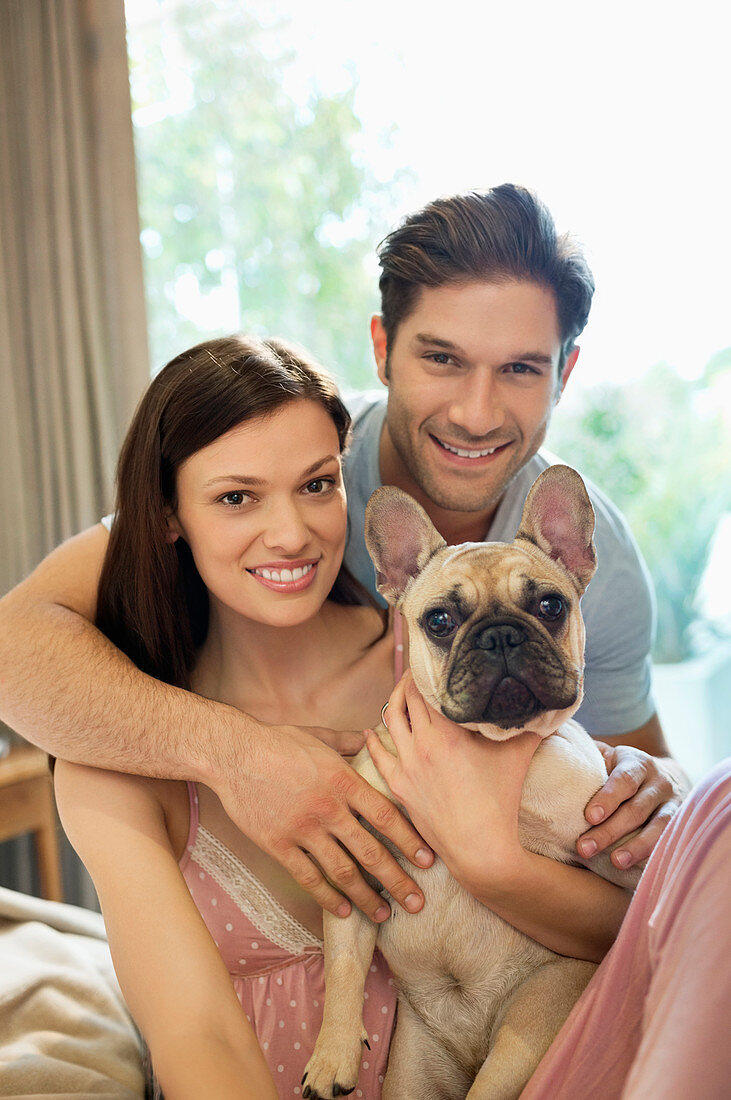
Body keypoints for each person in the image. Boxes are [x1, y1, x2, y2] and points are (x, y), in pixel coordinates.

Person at [0, 184, 686, 920]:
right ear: (382, 349)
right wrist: (244, 756)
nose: (476, 412)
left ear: (564, 373)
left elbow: (624, 825)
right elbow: (16, 644)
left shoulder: (591, 561)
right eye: (443, 358)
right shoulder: (299, 469)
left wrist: (664, 787)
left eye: (520, 368)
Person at [52, 335, 635, 1099]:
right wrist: (229, 752)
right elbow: (193, 1037)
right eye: (236, 496)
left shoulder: (437, 688)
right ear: (167, 513)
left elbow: (621, 939)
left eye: (318, 485)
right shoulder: (117, 736)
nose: (291, 532)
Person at [372, 677, 731, 1098]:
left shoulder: (564, 760)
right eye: (441, 623)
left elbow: (646, 912)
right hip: (420, 1022)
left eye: (548, 606)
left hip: (558, 1008)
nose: (499, 640)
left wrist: (657, 779)